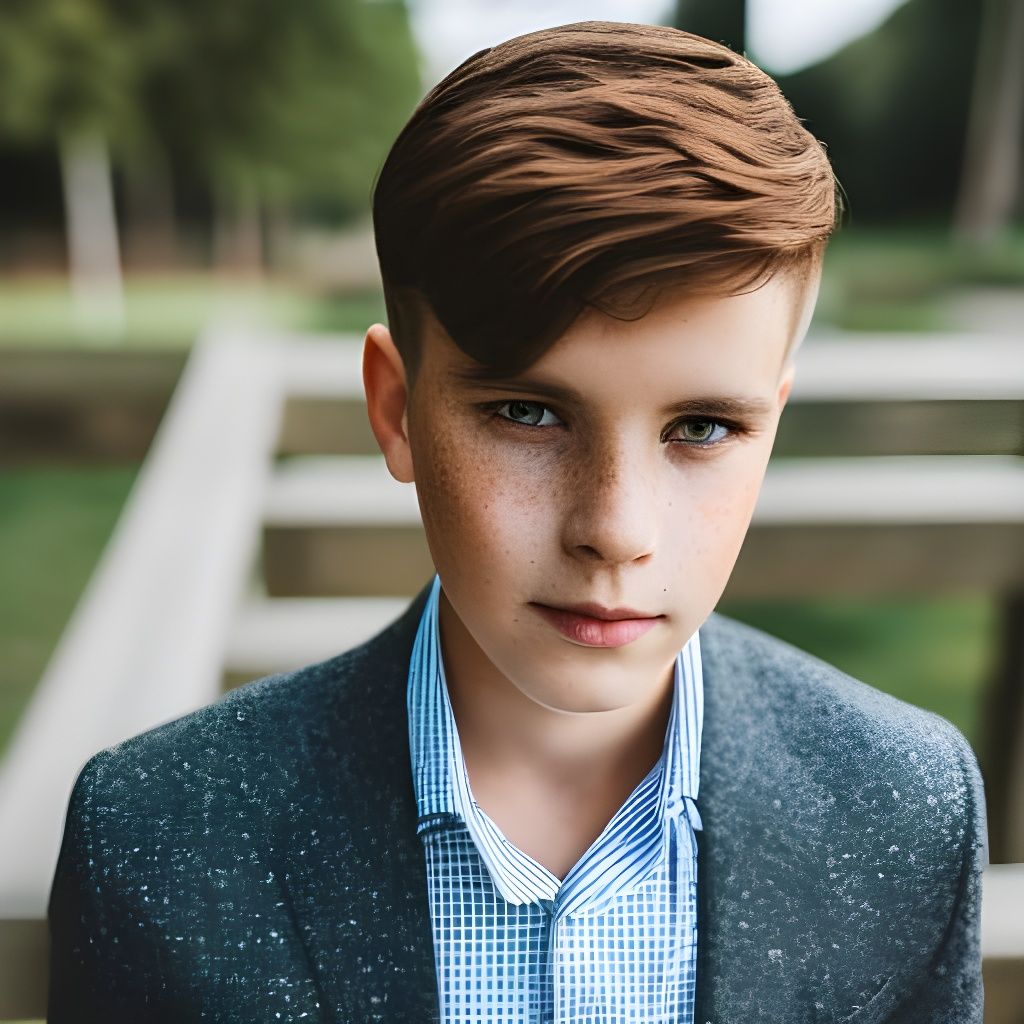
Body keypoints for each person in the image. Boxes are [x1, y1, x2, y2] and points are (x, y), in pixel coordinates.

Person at [47, 20, 987, 1024]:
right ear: (394, 410)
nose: (615, 529)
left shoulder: (907, 809)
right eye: (528, 414)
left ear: (772, 420)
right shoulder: (158, 838)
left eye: (702, 426)